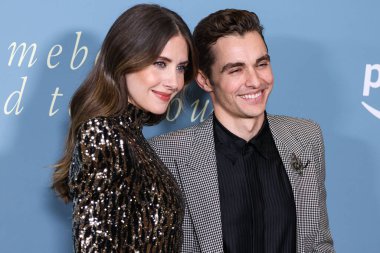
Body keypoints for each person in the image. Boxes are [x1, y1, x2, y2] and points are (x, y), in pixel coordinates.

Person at [149, 8, 335, 253]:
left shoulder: (306, 137)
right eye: (236, 70)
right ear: (204, 80)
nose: (255, 81)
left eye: (261, 64)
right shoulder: (165, 155)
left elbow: (318, 243)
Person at [51, 4, 197, 252]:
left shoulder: (130, 137)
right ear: (125, 59)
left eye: (180, 67)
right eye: (160, 63)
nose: (174, 82)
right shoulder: (103, 134)